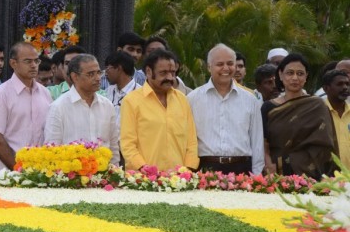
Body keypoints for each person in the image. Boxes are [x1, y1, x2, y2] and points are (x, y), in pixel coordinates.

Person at [188, 44, 264, 174]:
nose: (226, 68)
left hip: (242, 169)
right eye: (220, 64)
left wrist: (257, 176)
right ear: (209, 67)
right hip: (205, 169)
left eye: (230, 63)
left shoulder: (250, 100)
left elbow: (257, 141)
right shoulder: (192, 99)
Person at [120, 49, 198, 171]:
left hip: (180, 181)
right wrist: (145, 169)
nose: (170, 77)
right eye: (163, 73)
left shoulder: (182, 100)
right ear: (149, 72)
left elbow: (191, 142)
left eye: (173, 72)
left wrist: (188, 170)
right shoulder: (131, 101)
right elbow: (127, 144)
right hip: (142, 181)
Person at [261, 53, 336, 178]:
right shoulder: (268, 107)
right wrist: (269, 165)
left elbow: (324, 145)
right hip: (274, 175)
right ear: (280, 75)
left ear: (306, 76)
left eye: (300, 73)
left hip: (310, 176)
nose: (295, 78)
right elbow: (263, 144)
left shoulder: (317, 105)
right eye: (290, 73)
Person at [0, 42, 53, 170]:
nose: (34, 65)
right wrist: (17, 168)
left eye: (36, 61)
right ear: (13, 63)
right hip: (8, 172)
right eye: (28, 61)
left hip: (40, 171)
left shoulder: (45, 93)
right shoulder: (1, 93)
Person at [45, 54, 119, 165]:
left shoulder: (107, 105)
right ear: (75, 77)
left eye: (99, 72)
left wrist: (115, 174)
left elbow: (113, 146)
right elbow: (51, 148)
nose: (98, 78)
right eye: (91, 74)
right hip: (71, 177)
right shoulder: (59, 107)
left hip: (104, 176)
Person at [323, 70, 350, 169]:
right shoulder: (318, 114)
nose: (345, 87)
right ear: (326, 88)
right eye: (340, 84)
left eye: (347, 84)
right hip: (329, 178)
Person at [104, 51, 141, 124]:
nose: (105, 73)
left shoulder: (141, 94)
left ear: (118, 68)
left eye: (107, 68)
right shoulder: (108, 91)